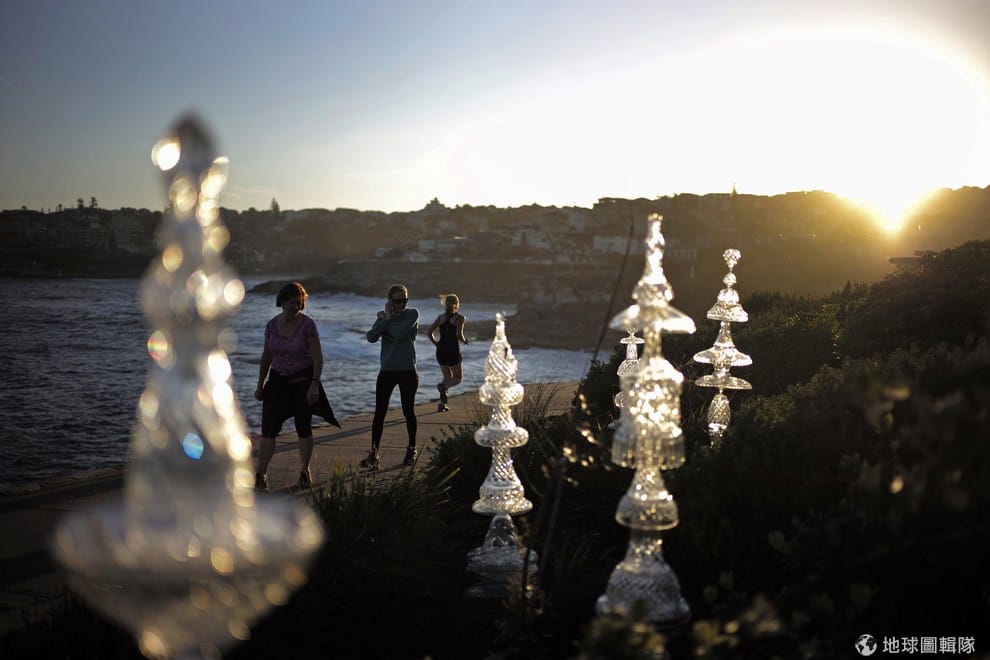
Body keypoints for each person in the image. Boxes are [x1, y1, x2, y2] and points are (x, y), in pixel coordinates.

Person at [254, 281, 339, 491]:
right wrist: (260, 384)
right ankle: (261, 474)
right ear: (282, 302)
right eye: (292, 302)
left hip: (302, 382)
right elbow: (266, 357)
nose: (295, 307)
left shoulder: (307, 325)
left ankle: (304, 471)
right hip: (277, 382)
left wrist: (314, 384)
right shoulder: (271, 326)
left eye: (299, 303)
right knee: (268, 430)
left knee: (303, 428)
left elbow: (318, 357)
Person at [362, 284, 420, 469]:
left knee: (408, 411)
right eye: (398, 301)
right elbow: (371, 337)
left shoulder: (412, 314)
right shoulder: (384, 318)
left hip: (407, 371)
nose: (402, 304)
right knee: (379, 413)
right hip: (387, 371)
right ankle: (374, 453)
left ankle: (411, 449)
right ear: (390, 301)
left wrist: (386, 319)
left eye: (404, 300)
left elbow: (398, 333)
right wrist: (385, 319)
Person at [428, 293, 468, 412]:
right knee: (457, 378)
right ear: (457, 304)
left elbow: (429, 332)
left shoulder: (441, 318)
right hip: (452, 351)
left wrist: (436, 344)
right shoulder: (460, 318)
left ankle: (442, 404)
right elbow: (458, 335)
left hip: (441, 351)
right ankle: (442, 387)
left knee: (447, 378)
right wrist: (465, 340)